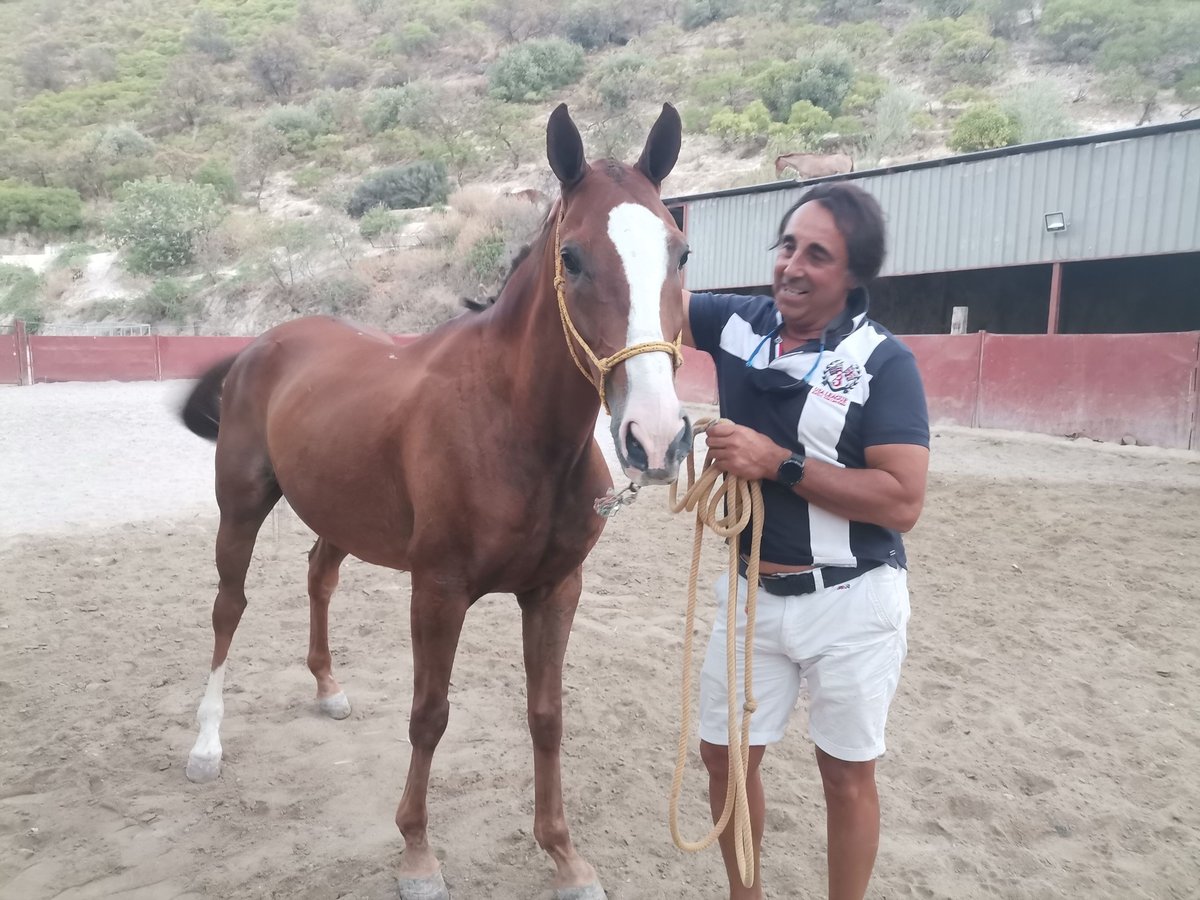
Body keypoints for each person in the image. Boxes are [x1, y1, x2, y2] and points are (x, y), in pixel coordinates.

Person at [680, 181, 930, 900]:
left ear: (854, 276)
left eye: (817, 254)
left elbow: (903, 499)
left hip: (850, 600)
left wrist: (779, 465)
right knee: (723, 759)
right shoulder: (736, 323)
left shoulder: (884, 364)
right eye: (787, 245)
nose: (792, 265)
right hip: (750, 591)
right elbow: (647, 302)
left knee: (846, 776)